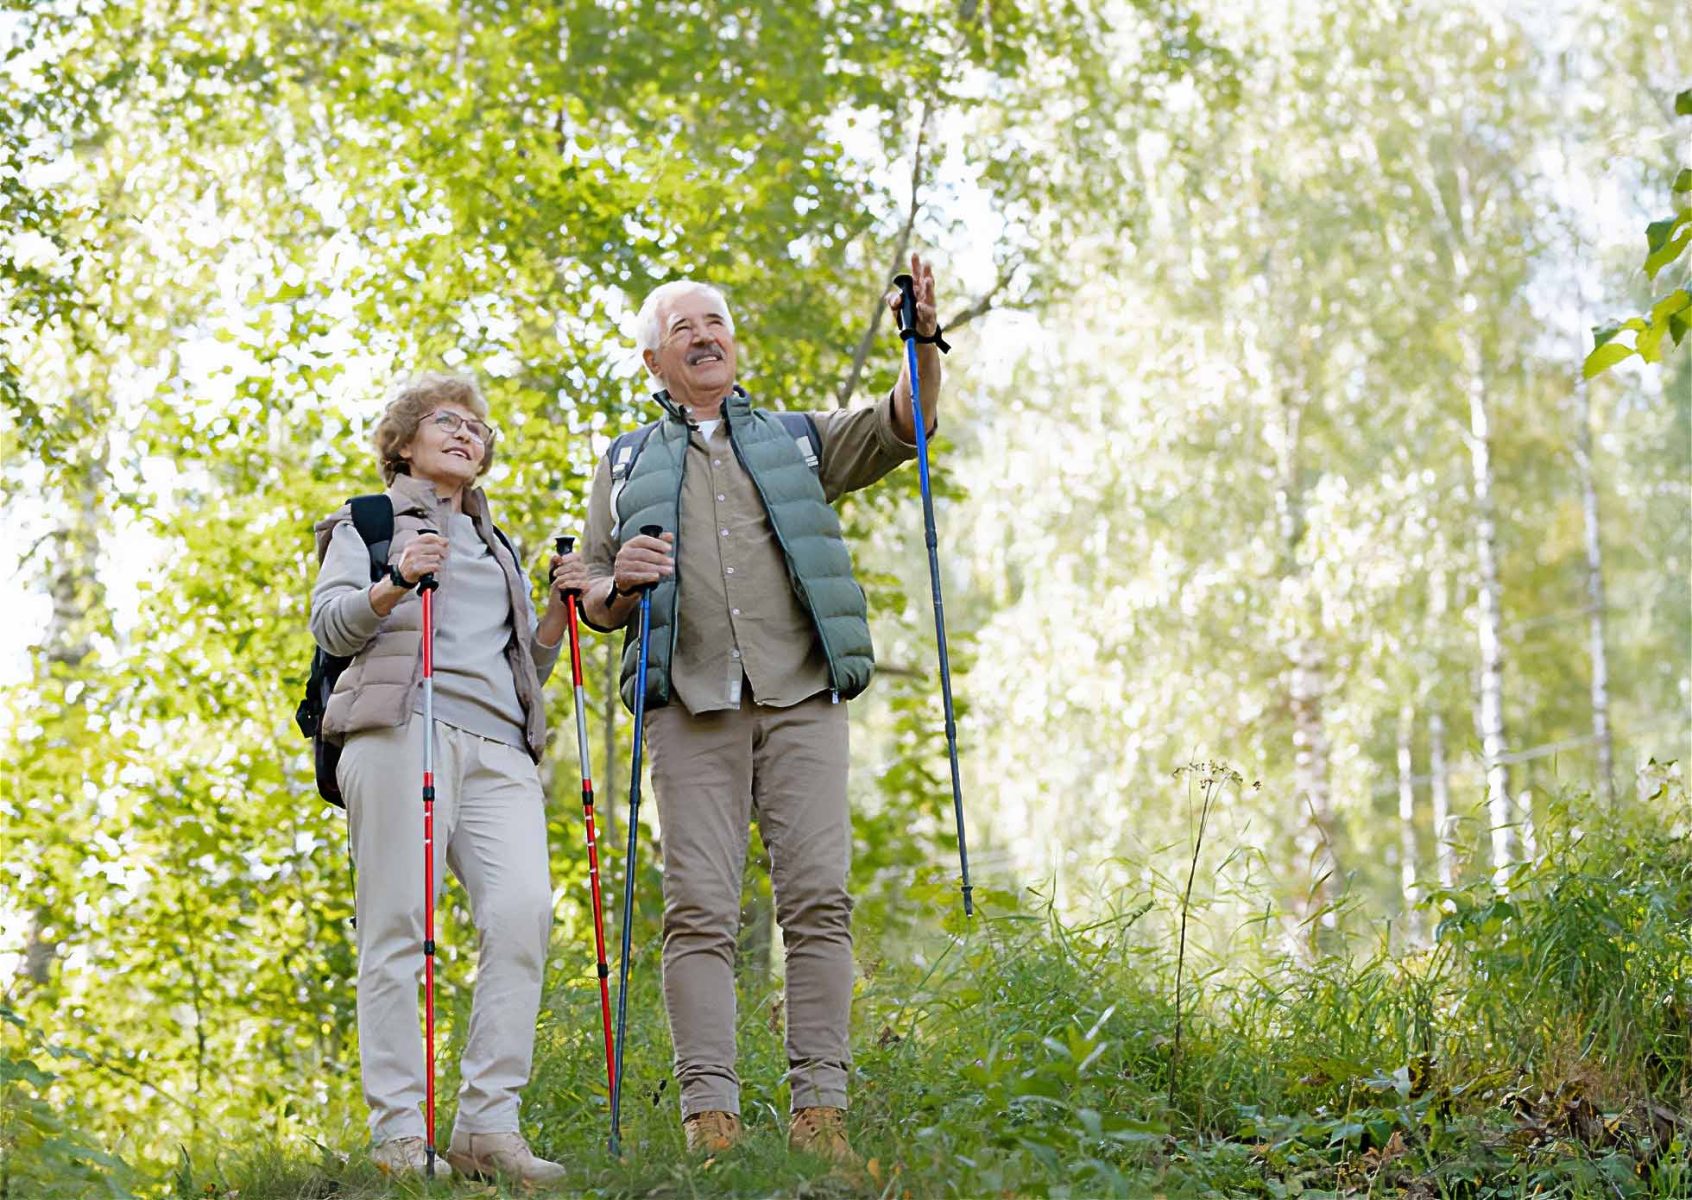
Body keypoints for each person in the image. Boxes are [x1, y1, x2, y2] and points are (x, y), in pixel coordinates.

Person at [579, 255, 946, 1163]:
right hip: (689, 706)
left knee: (819, 905)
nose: (707, 337)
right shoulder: (623, 463)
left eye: (717, 324)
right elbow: (591, 594)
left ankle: (823, 1118)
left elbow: (909, 422)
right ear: (652, 362)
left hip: (801, 695)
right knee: (698, 912)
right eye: (684, 329)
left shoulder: (795, 439)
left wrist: (921, 340)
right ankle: (712, 1124)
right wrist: (614, 587)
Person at [310, 372, 588, 1184]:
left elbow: (524, 663)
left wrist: (553, 615)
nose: (468, 434)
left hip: (501, 745)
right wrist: (395, 580)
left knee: (524, 915)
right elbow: (332, 624)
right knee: (398, 926)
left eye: (478, 428)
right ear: (403, 440)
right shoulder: (365, 522)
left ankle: (485, 1126)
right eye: (447, 422)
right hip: (402, 729)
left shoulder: (496, 545)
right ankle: (400, 1137)